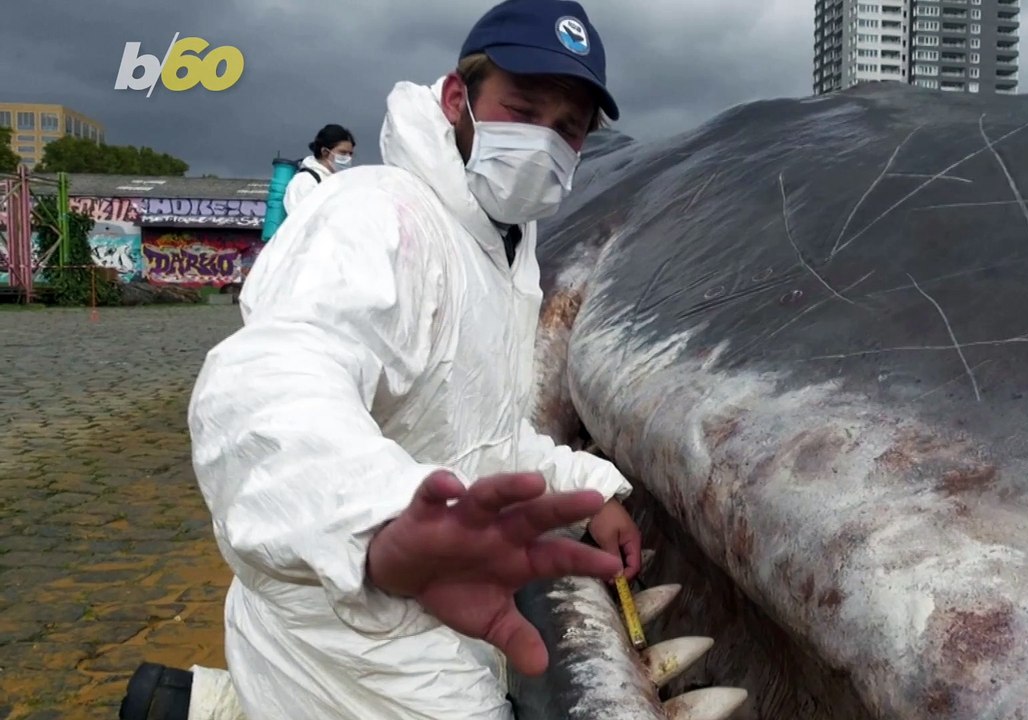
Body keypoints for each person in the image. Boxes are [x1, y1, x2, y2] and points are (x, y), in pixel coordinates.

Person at [123, 1, 642, 719]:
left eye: (567, 130)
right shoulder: (377, 215)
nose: (543, 142)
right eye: (523, 111)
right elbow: (269, 388)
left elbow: (483, 434)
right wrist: (384, 525)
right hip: (351, 623)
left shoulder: (503, 256)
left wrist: (594, 492)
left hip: (439, 606)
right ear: (459, 99)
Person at [282, 123, 355, 213]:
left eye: (350, 154)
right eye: (343, 153)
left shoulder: (338, 181)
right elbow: (302, 219)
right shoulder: (306, 181)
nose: (348, 158)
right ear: (324, 151)